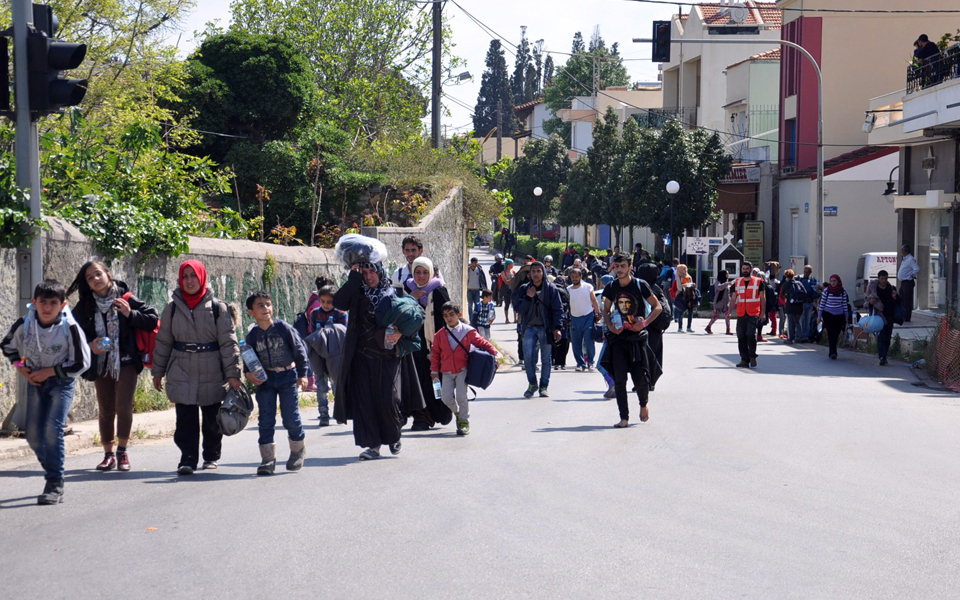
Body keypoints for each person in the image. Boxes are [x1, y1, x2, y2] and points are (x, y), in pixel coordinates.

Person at [2, 280, 91, 505]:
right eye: (42, 302)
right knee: (32, 435)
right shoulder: (25, 323)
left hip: (61, 383)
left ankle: (54, 482)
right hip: (35, 383)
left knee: (52, 430)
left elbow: (81, 362)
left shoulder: (69, 327)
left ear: (62, 305)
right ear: (34, 302)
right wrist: (24, 372)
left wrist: (50, 371)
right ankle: (53, 467)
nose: (47, 307)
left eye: (53, 303)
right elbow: (7, 346)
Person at [152, 260, 242, 475]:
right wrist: (158, 371)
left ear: (202, 277)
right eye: (185, 276)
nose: (189, 280)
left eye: (193, 275)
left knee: (211, 419)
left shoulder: (219, 309)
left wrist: (233, 374)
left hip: (212, 369)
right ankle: (188, 459)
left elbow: (229, 343)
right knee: (185, 420)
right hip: (181, 368)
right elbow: (163, 341)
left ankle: (211, 456)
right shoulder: (171, 308)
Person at [69, 261, 159, 473]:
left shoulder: (125, 298)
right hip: (101, 363)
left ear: (108, 274)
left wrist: (130, 314)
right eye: (90, 278)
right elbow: (72, 331)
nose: (95, 279)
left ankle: (122, 451)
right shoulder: (86, 305)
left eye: (98, 274)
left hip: (126, 361)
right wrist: (91, 344)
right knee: (106, 409)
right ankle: (108, 455)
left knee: (123, 406)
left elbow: (153, 319)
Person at [334, 256, 417, 460]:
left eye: (372, 272)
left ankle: (394, 435)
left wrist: (400, 334)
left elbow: (413, 318)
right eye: (364, 273)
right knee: (365, 402)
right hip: (362, 357)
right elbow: (338, 302)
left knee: (390, 399)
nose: (369, 277)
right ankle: (373, 445)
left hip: (389, 356)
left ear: (380, 271)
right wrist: (354, 277)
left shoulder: (395, 293)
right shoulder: (357, 293)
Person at [244, 291, 309, 475]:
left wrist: (302, 375)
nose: (265, 308)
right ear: (251, 312)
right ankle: (267, 459)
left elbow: (299, 351)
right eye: (260, 305)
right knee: (265, 419)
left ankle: (297, 450)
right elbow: (247, 361)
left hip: (287, 376)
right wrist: (249, 375)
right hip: (265, 381)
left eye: (268, 304)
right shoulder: (252, 336)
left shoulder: (283, 328)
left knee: (290, 417)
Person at [600, 254, 662, 428]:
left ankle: (643, 404)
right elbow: (605, 310)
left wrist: (644, 323)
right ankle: (624, 418)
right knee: (619, 380)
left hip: (637, 338)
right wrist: (611, 326)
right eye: (617, 266)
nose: (619, 269)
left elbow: (657, 307)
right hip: (619, 339)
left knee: (640, 378)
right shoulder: (611, 286)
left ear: (629, 267)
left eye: (623, 266)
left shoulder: (640, 285)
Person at [430, 301, 499, 436]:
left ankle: (463, 421)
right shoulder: (439, 335)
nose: (448, 318)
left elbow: (483, 343)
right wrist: (434, 371)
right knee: (445, 397)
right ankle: (457, 413)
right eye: (445, 316)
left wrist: (494, 353)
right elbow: (435, 355)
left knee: (462, 396)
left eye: (451, 314)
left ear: (459, 314)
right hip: (446, 372)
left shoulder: (468, 331)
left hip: (463, 370)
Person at [406, 256, 454, 431]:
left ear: (432, 273)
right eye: (418, 272)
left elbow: (448, 319)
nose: (421, 276)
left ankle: (441, 410)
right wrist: (411, 298)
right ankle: (423, 416)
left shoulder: (439, 291)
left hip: (435, 345)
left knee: (436, 381)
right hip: (413, 346)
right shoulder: (407, 289)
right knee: (418, 380)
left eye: (425, 272)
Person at [513, 261, 564, 398]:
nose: (536, 274)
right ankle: (532, 383)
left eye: (538, 271)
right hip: (529, 328)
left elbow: (558, 309)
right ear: (529, 274)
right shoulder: (524, 289)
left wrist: (558, 328)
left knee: (546, 359)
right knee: (528, 358)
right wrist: (528, 298)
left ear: (543, 272)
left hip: (546, 329)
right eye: (533, 271)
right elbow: (519, 309)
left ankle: (543, 386)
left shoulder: (551, 289)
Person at [308, 277, 348, 426]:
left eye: (329, 302)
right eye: (322, 301)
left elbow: (343, 334)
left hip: (336, 356)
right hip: (319, 355)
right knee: (321, 386)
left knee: (337, 385)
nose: (325, 305)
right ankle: (323, 414)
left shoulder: (341, 314)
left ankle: (339, 413)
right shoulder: (314, 314)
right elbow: (313, 335)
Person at [731, 261, 766, 368]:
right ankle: (744, 359)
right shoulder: (737, 282)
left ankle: (752, 356)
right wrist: (728, 312)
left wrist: (763, 313)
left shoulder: (759, 282)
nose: (745, 270)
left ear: (751, 270)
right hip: (741, 313)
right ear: (741, 270)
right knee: (741, 336)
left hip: (753, 313)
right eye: (743, 269)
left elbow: (763, 298)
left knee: (751, 334)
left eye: (747, 269)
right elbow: (733, 299)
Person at [567, 268, 601, 371]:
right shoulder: (568, 289)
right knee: (576, 342)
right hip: (574, 318)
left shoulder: (588, 287)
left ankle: (590, 361)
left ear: (581, 277)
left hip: (588, 317)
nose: (574, 279)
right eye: (572, 277)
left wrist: (598, 313)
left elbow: (594, 300)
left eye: (576, 276)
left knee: (589, 340)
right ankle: (580, 363)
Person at [866, 270, 899, 366]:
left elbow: (898, 301)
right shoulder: (873, 289)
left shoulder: (891, 288)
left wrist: (895, 297)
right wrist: (871, 302)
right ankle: (882, 357)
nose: (884, 280)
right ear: (878, 278)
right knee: (881, 336)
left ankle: (885, 355)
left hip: (889, 315)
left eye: (885, 278)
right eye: (882, 278)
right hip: (879, 316)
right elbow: (866, 302)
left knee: (888, 337)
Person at [817, 274, 851, 360]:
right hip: (828, 314)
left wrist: (846, 316)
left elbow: (844, 304)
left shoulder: (842, 291)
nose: (832, 283)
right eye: (831, 281)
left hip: (839, 315)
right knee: (830, 333)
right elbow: (822, 304)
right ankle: (832, 352)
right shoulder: (827, 291)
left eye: (834, 281)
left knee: (836, 333)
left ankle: (834, 349)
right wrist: (819, 316)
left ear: (838, 281)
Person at [705, 270, 733, 335]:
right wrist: (727, 284)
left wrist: (730, 301)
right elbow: (719, 287)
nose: (728, 275)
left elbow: (728, 294)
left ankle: (728, 329)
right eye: (727, 274)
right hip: (719, 302)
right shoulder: (718, 282)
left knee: (727, 316)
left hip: (726, 303)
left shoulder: (726, 283)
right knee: (716, 316)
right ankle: (708, 326)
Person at [897, 244, 920, 323]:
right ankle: (903, 315)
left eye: (902, 250)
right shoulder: (905, 259)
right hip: (903, 282)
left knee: (907, 300)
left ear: (905, 251)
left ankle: (907, 317)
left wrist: (911, 275)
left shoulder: (910, 259)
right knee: (901, 299)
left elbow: (916, 269)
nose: (901, 251)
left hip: (908, 281)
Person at [781, 269, 804, 344]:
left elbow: (782, 294)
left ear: (786, 276)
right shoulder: (799, 283)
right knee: (798, 322)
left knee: (790, 322)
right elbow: (805, 293)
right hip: (799, 305)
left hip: (790, 305)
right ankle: (800, 337)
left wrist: (787, 297)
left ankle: (790, 338)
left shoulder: (786, 284)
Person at [552, 276, 571, 370]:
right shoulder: (566, 291)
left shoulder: (551, 289)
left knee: (553, 340)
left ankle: (554, 361)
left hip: (553, 319)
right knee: (564, 341)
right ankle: (562, 362)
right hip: (564, 319)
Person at [798, 265, 821, 342]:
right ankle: (798, 337)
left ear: (811, 272)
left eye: (808, 272)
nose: (806, 273)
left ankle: (806, 337)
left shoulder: (813, 280)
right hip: (802, 303)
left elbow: (815, 292)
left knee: (807, 321)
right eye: (805, 271)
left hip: (810, 303)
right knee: (800, 321)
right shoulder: (799, 279)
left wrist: (816, 294)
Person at [764, 262, 781, 338]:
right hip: (771, 299)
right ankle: (773, 329)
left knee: (773, 315)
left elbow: (768, 275)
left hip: (773, 300)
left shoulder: (773, 281)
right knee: (772, 316)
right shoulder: (773, 281)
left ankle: (774, 330)